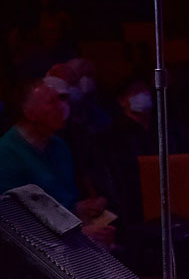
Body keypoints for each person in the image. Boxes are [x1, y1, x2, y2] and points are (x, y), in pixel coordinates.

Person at [0, 79, 116, 246]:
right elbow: (16, 222)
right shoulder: (6, 154)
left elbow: (62, 200)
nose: (62, 107)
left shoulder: (59, 146)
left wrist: (79, 209)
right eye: (52, 102)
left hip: (69, 234)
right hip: (37, 249)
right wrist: (79, 235)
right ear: (29, 112)